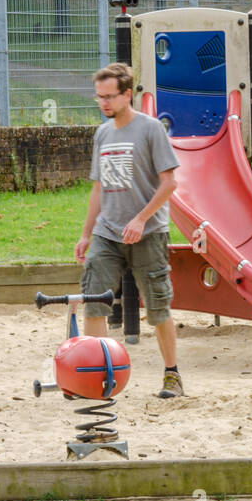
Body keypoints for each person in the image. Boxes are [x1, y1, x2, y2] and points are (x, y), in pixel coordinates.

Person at [75, 63, 183, 398]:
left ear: (126, 94)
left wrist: (140, 219)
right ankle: (95, 376)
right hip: (108, 233)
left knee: (158, 307)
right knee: (94, 301)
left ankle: (172, 374)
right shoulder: (102, 134)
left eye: (110, 97)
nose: (104, 103)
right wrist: (85, 234)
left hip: (148, 233)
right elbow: (98, 189)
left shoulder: (151, 130)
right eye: (99, 97)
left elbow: (169, 184)